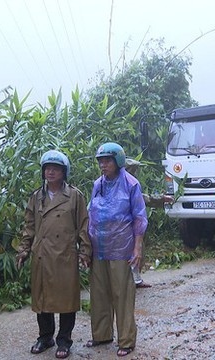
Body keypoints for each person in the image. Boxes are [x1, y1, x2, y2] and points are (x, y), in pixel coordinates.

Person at [16, 150, 91, 359]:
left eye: (55, 168)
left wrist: (85, 251)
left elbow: (83, 226)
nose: (50, 172)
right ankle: (45, 337)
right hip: (42, 255)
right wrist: (23, 250)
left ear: (63, 172)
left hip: (65, 255)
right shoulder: (36, 196)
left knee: (67, 300)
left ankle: (64, 340)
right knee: (43, 299)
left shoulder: (74, 196)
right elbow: (29, 227)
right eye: (47, 168)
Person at [86, 142, 148, 357]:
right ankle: (101, 334)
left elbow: (139, 216)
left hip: (122, 247)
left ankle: (126, 340)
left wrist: (137, 248)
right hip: (99, 247)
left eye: (108, 160)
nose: (103, 165)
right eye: (101, 161)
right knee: (100, 293)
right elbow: (90, 214)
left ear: (118, 161)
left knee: (122, 294)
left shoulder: (131, 184)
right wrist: (86, 247)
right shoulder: (97, 184)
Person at [124, 158, 174, 288]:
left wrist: (162, 199)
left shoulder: (131, 185)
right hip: (122, 226)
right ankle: (128, 282)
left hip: (133, 225)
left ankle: (136, 280)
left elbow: (144, 198)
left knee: (138, 251)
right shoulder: (115, 184)